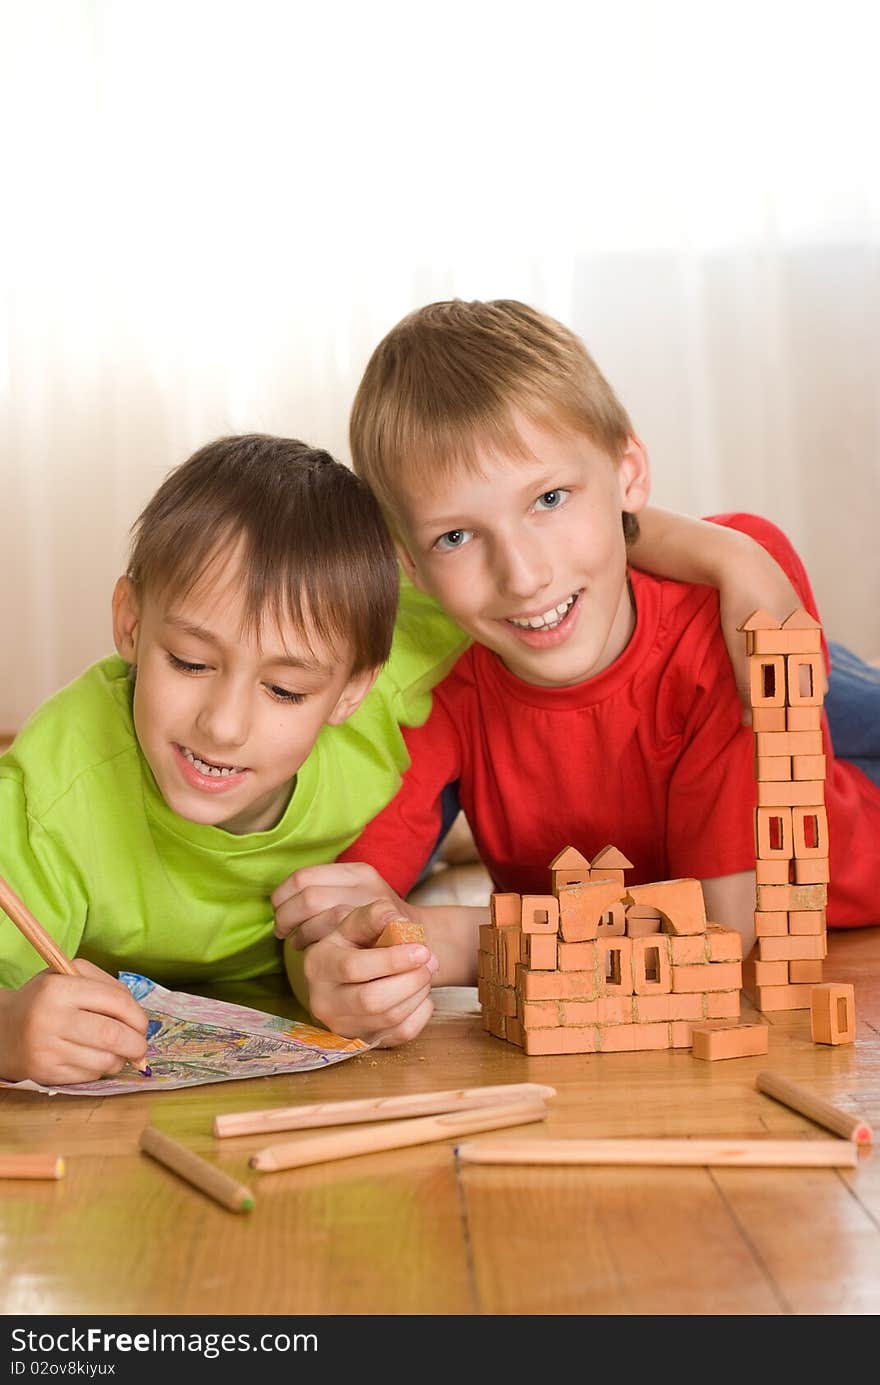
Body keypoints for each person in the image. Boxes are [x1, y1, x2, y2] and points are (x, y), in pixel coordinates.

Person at [275, 299, 880, 1046]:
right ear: (411, 565)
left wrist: (446, 941)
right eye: (457, 535)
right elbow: (344, 910)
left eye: (549, 499)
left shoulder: (709, 642)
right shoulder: (441, 682)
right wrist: (336, 972)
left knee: (772, 582)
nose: (523, 575)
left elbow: (729, 927)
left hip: (852, 822)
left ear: (629, 474)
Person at [0, 434, 466, 1085]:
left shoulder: (383, 672)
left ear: (352, 690)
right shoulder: (52, 795)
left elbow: (536, 553)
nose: (222, 725)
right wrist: (7, 1031)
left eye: (285, 689)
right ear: (131, 624)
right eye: (190, 661)